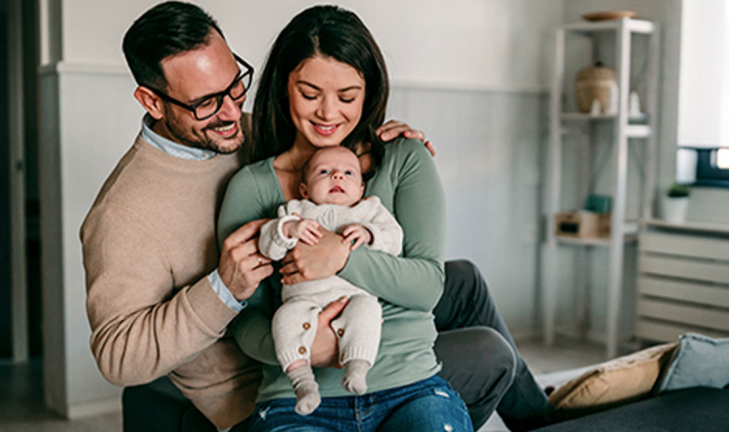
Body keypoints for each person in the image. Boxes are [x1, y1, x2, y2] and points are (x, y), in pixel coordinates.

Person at [83, 1, 552, 431]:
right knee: (490, 352)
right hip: (263, 373)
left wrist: (384, 138)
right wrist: (225, 289)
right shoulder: (123, 213)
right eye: (207, 102)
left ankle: (551, 419)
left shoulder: (245, 130)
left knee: (463, 279)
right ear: (152, 101)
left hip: (350, 312)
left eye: (234, 86)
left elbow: (324, 118)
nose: (231, 111)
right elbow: (118, 357)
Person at [259, 146, 403, 415]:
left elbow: (395, 240)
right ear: (304, 189)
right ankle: (303, 383)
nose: (337, 176)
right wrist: (289, 229)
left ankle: (357, 367)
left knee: (368, 311)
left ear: (361, 190)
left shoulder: (368, 210)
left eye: (349, 173)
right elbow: (268, 245)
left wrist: (370, 234)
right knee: (284, 319)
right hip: (302, 300)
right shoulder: (295, 211)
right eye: (324, 172)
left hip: (351, 297)